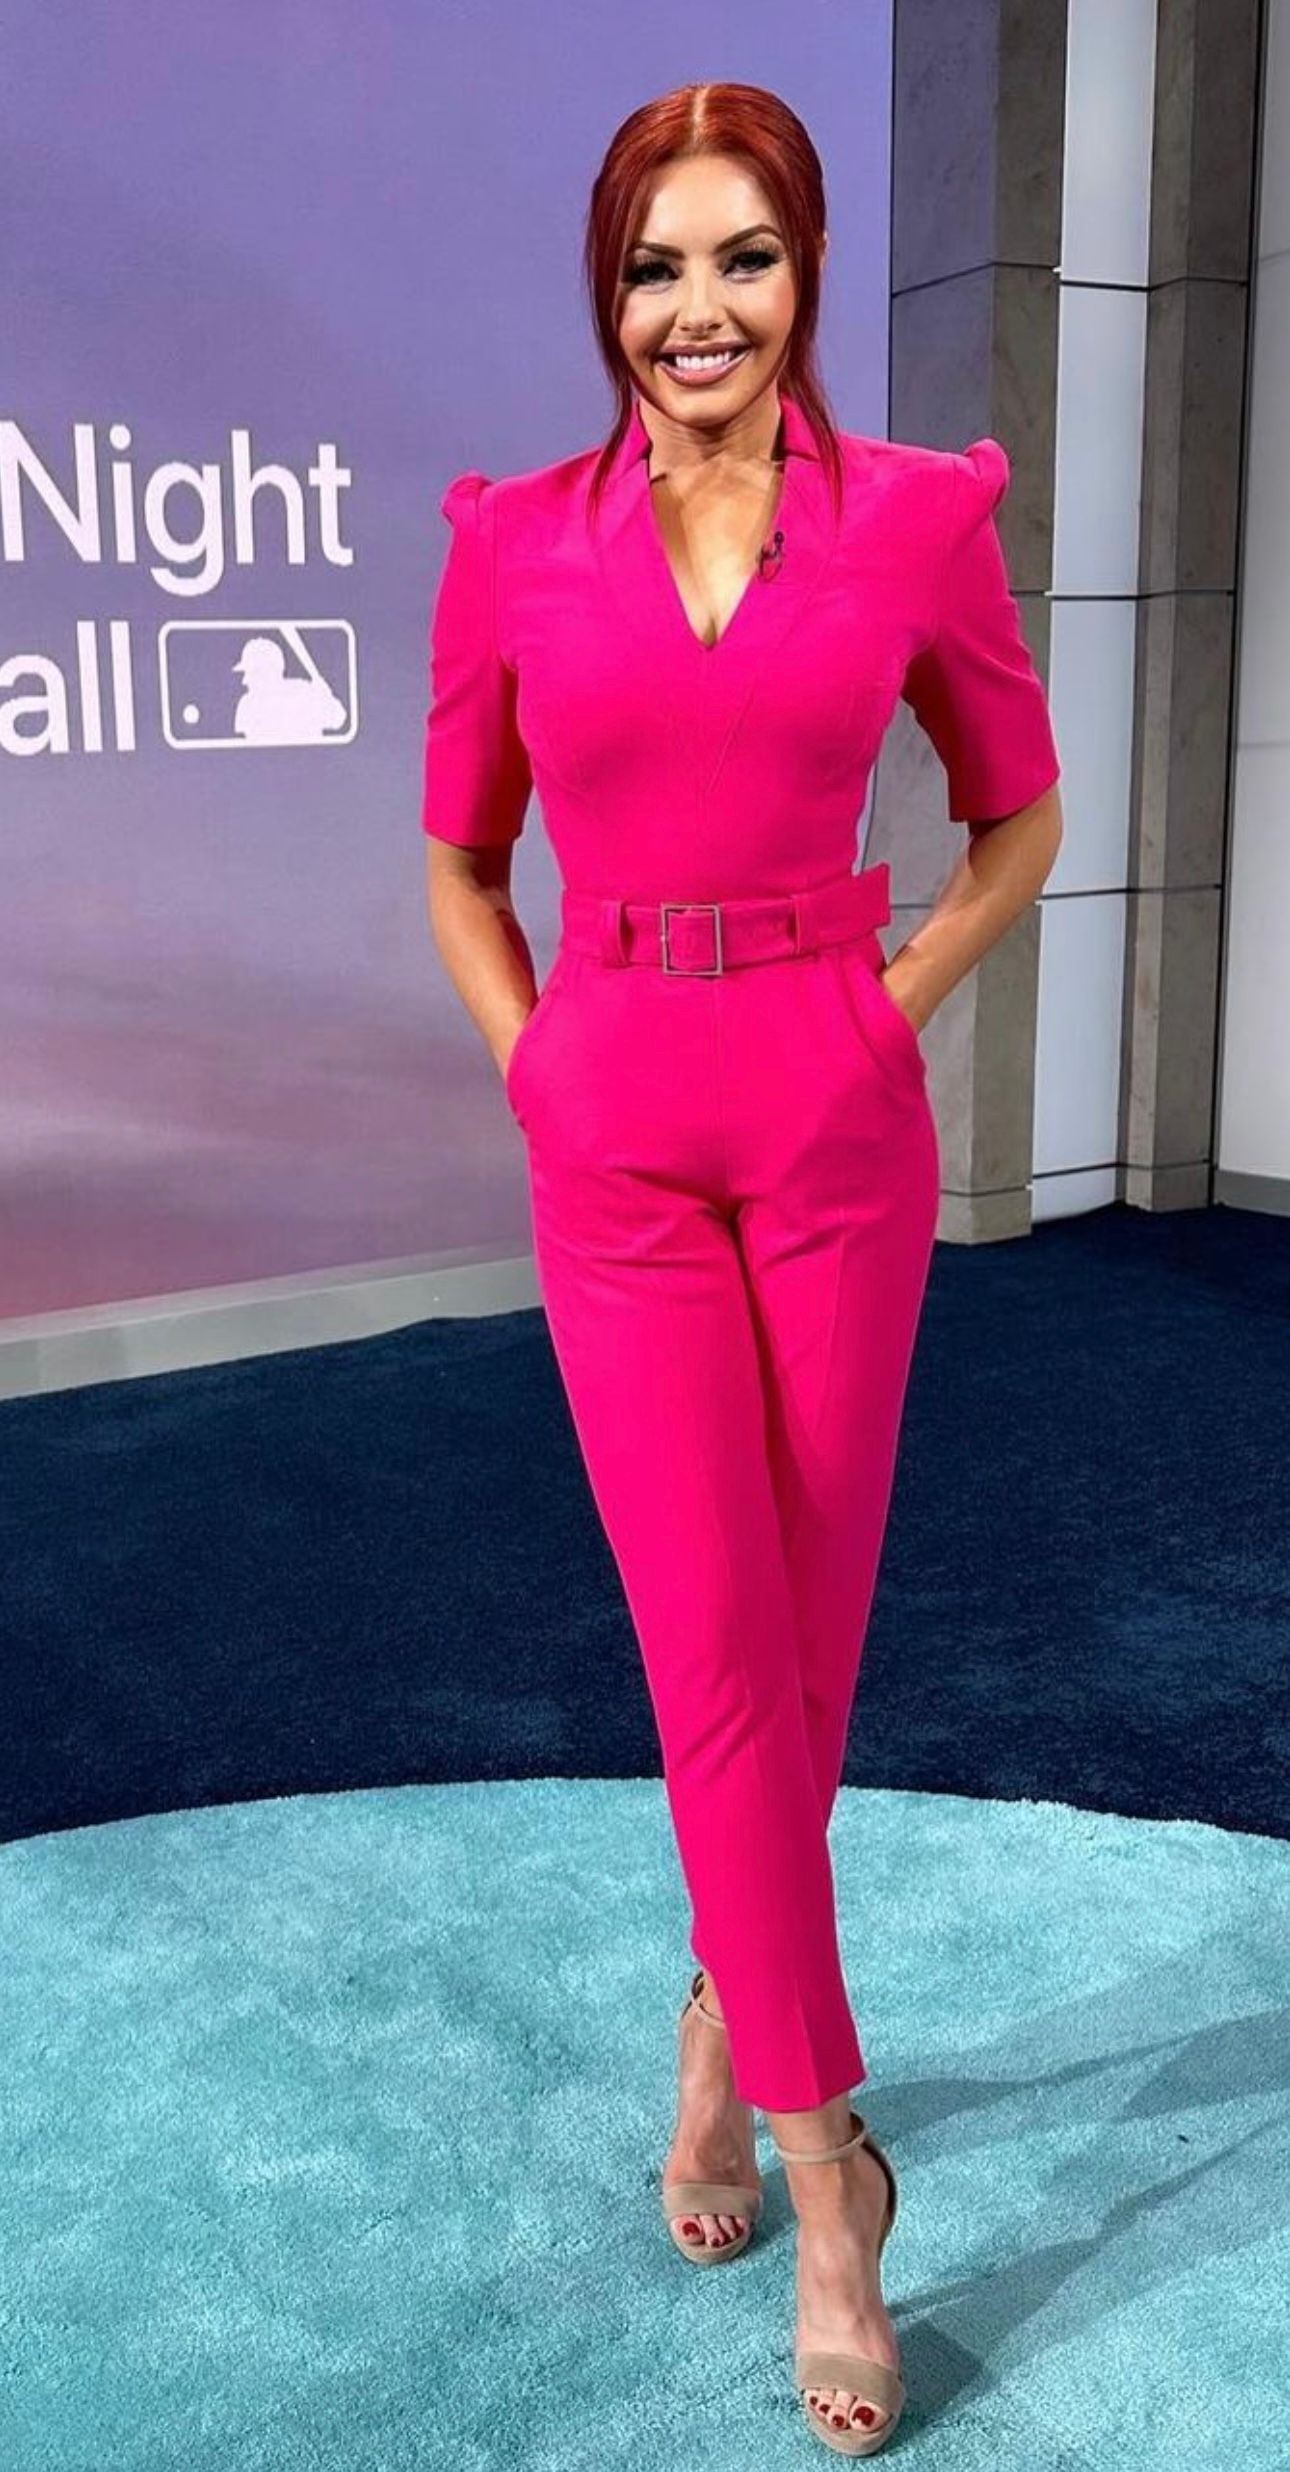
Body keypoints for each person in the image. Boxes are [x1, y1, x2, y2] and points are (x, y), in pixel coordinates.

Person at [421, 81, 1062, 2459]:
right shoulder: (514, 544)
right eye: (654, 267)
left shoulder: (915, 524)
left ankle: (718, 2019)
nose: (699, 310)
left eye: (745, 258)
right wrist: (541, 1069)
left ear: (803, 268)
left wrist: (885, 1014)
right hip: (616, 1140)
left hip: (831, 1125)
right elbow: (459, 862)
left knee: (800, 1650)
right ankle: (830, 2182)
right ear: (606, 292)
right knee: (711, 1656)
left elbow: (1019, 814)